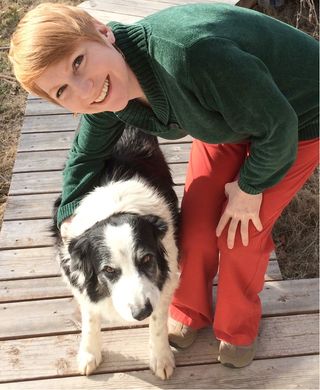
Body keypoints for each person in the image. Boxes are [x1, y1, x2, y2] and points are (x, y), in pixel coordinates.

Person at [9, 2, 319, 369]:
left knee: (241, 234)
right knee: (196, 228)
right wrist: (68, 218)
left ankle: (237, 329)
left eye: (78, 61)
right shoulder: (105, 98)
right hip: (224, 116)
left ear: (102, 31)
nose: (85, 88)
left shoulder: (189, 55)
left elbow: (278, 125)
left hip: (295, 120)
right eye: (62, 91)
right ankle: (189, 310)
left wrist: (250, 188)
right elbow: (85, 158)